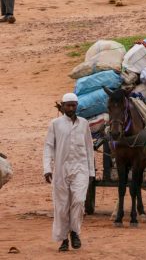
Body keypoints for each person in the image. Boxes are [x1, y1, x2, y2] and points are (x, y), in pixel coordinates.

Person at [43, 93, 95, 252]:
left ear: (77, 105)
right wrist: (47, 168)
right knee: (62, 206)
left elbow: (89, 148)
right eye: (68, 105)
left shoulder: (84, 123)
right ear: (63, 106)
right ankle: (64, 238)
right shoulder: (55, 124)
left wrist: (91, 171)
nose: (71, 108)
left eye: (74, 105)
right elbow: (48, 146)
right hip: (60, 170)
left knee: (79, 201)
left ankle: (75, 232)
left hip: (81, 169)